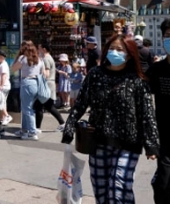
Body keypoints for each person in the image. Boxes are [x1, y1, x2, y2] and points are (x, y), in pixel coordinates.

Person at [61, 34, 159, 203]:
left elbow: (147, 113)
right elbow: (81, 103)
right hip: (98, 141)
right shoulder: (95, 74)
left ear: (129, 55)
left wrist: (151, 144)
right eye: (111, 49)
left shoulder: (137, 80)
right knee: (101, 190)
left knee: (118, 189)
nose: (115, 52)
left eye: (120, 50)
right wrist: (70, 127)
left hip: (128, 143)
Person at [146, 17, 170, 204]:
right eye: (167, 36)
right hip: (166, 140)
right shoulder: (157, 70)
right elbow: (140, 96)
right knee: (162, 187)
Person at [11, 42, 45, 141]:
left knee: (27, 109)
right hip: (36, 83)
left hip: (27, 82)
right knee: (26, 107)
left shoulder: (23, 58)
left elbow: (13, 68)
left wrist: (18, 56)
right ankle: (25, 130)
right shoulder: (39, 59)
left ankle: (32, 132)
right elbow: (42, 73)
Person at [34, 43, 65, 133]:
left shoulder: (46, 59)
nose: (38, 50)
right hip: (49, 85)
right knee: (48, 106)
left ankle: (37, 128)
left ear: (44, 49)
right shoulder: (49, 58)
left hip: (46, 85)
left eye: (39, 48)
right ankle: (62, 123)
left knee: (40, 106)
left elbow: (46, 73)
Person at [0, 50, 12, 125]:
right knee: (3, 102)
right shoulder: (3, 64)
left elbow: (4, 76)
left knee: (0, 103)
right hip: (5, 86)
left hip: (4, 86)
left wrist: (1, 85)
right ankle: (2, 118)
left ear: (1, 57)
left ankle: (7, 116)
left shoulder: (3, 65)